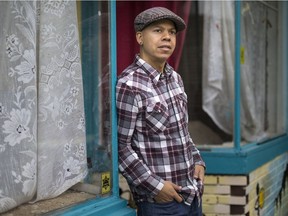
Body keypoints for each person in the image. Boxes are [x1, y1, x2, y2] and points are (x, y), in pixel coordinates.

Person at [116, 7, 205, 216]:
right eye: (158, 30)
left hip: (193, 194)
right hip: (160, 204)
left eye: (172, 32)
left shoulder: (175, 79)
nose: (167, 37)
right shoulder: (129, 85)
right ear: (139, 37)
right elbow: (121, 148)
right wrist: (156, 187)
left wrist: (198, 160)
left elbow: (182, 132)